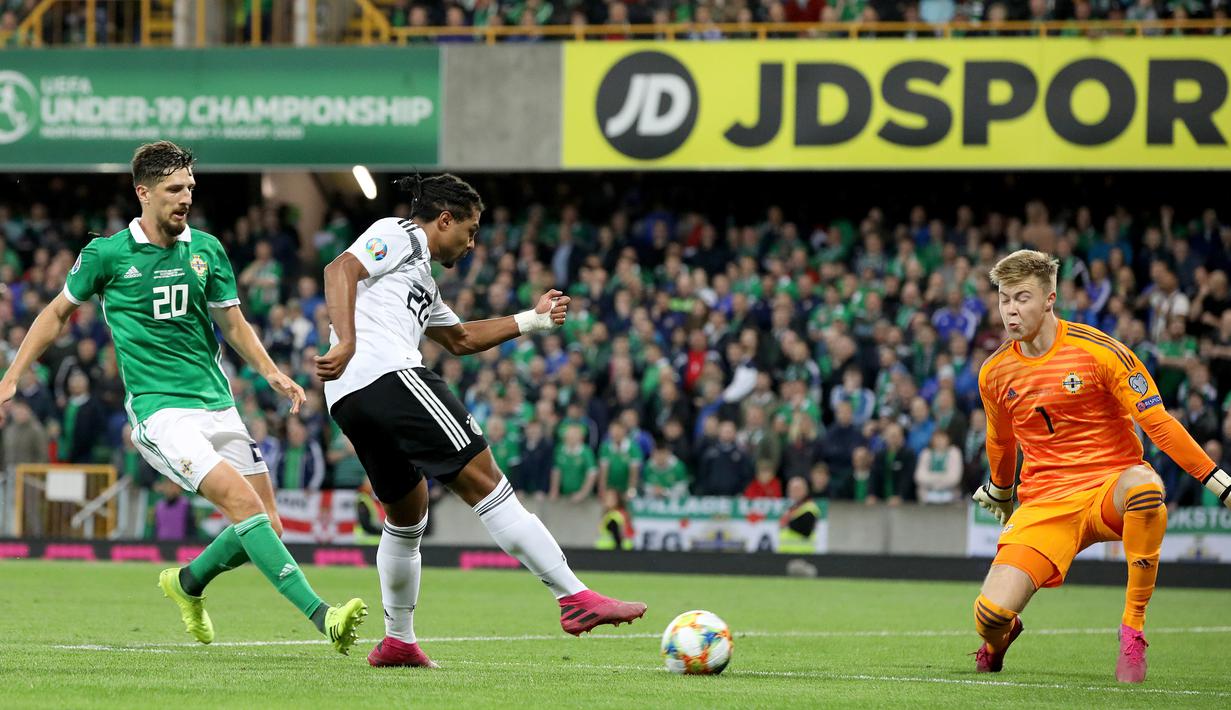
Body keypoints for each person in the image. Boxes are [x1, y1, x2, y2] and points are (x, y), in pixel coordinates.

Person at [0, 141, 367, 655]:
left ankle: (188, 584)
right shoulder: (107, 255)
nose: (185, 197)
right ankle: (323, 616)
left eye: (190, 187)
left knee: (270, 523)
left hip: (217, 403)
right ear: (143, 192)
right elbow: (58, 313)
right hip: (161, 412)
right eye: (174, 188)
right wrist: (13, 373)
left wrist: (271, 372)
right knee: (243, 506)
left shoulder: (208, 249)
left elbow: (233, 322)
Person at [316, 173, 646, 669]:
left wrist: (532, 320)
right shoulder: (400, 233)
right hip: (385, 373)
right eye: (468, 231)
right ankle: (573, 596)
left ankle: (398, 641)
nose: (471, 243)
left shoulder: (419, 278)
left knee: (407, 512)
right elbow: (340, 268)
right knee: (487, 482)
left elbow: (462, 339)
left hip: (348, 396)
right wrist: (346, 340)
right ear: (443, 219)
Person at [970, 249, 1231, 682]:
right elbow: (1000, 440)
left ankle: (1132, 629)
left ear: (1050, 298)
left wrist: (1221, 484)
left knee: (1146, 491)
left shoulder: (1100, 351)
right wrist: (1001, 490)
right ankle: (999, 639)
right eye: (1004, 300)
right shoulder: (995, 372)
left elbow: (1159, 424)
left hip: (1110, 485)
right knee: (989, 615)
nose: (1010, 311)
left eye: (1022, 298)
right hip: (1045, 503)